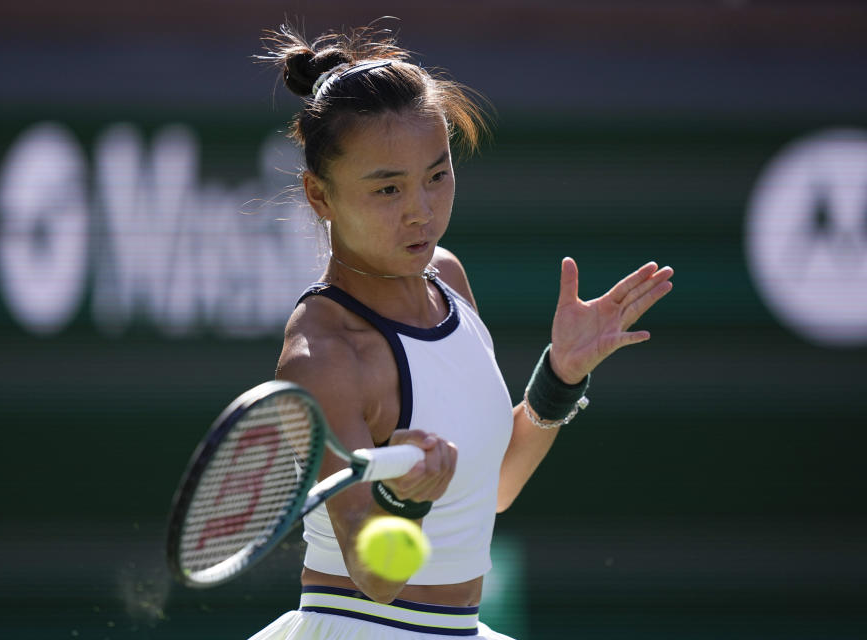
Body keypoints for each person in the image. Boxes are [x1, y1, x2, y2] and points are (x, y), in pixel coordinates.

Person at [250, 22, 674, 640]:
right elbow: (375, 574)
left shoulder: (446, 275)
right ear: (320, 195)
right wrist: (405, 501)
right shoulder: (321, 358)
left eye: (437, 175)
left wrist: (559, 377)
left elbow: (493, 486)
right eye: (387, 188)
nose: (421, 209)